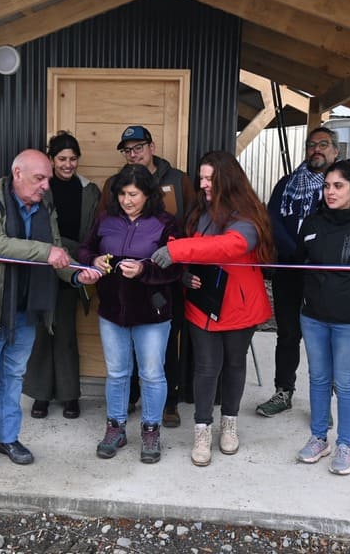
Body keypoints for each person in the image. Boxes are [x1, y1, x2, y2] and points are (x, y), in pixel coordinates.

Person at [0, 149, 100, 475]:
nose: (46, 185)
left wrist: (78, 274)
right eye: (40, 178)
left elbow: (58, 253)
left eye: (47, 179)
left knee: (13, 378)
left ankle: (8, 439)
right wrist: (46, 252)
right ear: (18, 174)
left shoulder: (45, 206)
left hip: (26, 310)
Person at [151, 151, 274, 467]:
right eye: (202, 178)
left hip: (239, 306)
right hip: (203, 304)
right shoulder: (199, 212)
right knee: (206, 368)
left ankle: (229, 422)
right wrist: (183, 272)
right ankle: (202, 429)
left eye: (210, 179)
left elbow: (230, 246)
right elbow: (195, 252)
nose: (203, 184)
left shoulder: (248, 215)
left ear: (227, 180)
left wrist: (177, 251)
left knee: (234, 364)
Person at [79, 164, 182, 463]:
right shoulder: (106, 219)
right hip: (112, 311)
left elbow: (176, 267)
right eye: (122, 194)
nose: (127, 200)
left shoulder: (166, 223)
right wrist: (93, 260)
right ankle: (116, 428)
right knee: (116, 373)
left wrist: (143, 270)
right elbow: (85, 250)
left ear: (148, 194)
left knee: (151, 374)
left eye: (133, 194)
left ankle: (151, 430)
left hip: (152, 312)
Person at [294, 157, 350, 475]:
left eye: (338, 186)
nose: (330, 192)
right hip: (313, 317)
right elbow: (299, 264)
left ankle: (345, 444)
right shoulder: (311, 224)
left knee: (345, 382)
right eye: (327, 186)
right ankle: (319, 438)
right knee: (319, 378)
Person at [104, 125, 197, 427]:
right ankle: (130, 397)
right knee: (125, 342)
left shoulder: (178, 180)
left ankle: (169, 404)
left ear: (151, 147)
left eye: (138, 148)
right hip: (124, 281)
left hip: (166, 278)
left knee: (164, 344)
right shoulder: (114, 184)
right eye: (127, 150)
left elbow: (192, 224)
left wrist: (183, 268)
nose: (133, 154)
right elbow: (103, 225)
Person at [256, 126, 340, 418]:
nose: (316, 149)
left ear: (336, 151)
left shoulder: (339, 185)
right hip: (290, 268)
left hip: (324, 273)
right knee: (288, 334)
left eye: (323, 144)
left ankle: (322, 402)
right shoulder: (287, 184)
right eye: (311, 144)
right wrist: (296, 252)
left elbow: (343, 225)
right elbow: (272, 219)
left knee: (323, 337)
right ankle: (283, 391)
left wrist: (315, 254)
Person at [23, 131, 101, 420]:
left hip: (74, 267)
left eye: (73, 158)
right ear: (52, 160)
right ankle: (40, 395)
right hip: (43, 266)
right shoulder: (41, 188)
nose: (68, 164)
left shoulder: (89, 190)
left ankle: (69, 395)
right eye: (62, 159)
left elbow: (93, 231)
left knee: (66, 332)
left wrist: (79, 258)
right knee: (42, 331)